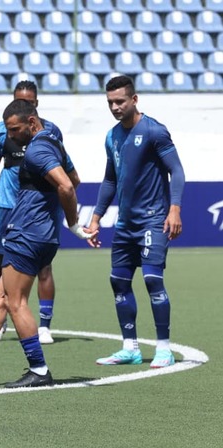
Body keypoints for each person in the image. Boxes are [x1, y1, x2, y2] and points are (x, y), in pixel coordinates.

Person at [0, 99, 92, 388]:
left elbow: (68, 186)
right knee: (3, 296)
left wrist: (72, 224)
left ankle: (39, 369)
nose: (10, 136)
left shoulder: (37, 149)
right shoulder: (54, 139)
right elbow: (75, 177)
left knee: (16, 302)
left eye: (14, 129)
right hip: (42, 234)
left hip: (27, 234)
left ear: (32, 123)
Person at [88, 75, 185, 369]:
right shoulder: (111, 136)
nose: (115, 107)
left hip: (154, 221)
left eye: (120, 101)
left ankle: (164, 349)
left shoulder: (155, 131)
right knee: (118, 281)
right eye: (110, 103)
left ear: (134, 99)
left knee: (153, 279)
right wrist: (96, 217)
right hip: (125, 224)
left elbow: (177, 172)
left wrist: (175, 209)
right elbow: (110, 179)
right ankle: (129, 347)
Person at [0, 81, 67, 344]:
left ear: (36, 104)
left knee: (44, 266)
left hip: (37, 208)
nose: (24, 104)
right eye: (19, 99)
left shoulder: (51, 132)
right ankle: (0, 322)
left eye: (29, 101)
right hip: (7, 204)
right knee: (0, 264)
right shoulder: (1, 130)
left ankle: (44, 326)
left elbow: (63, 172)